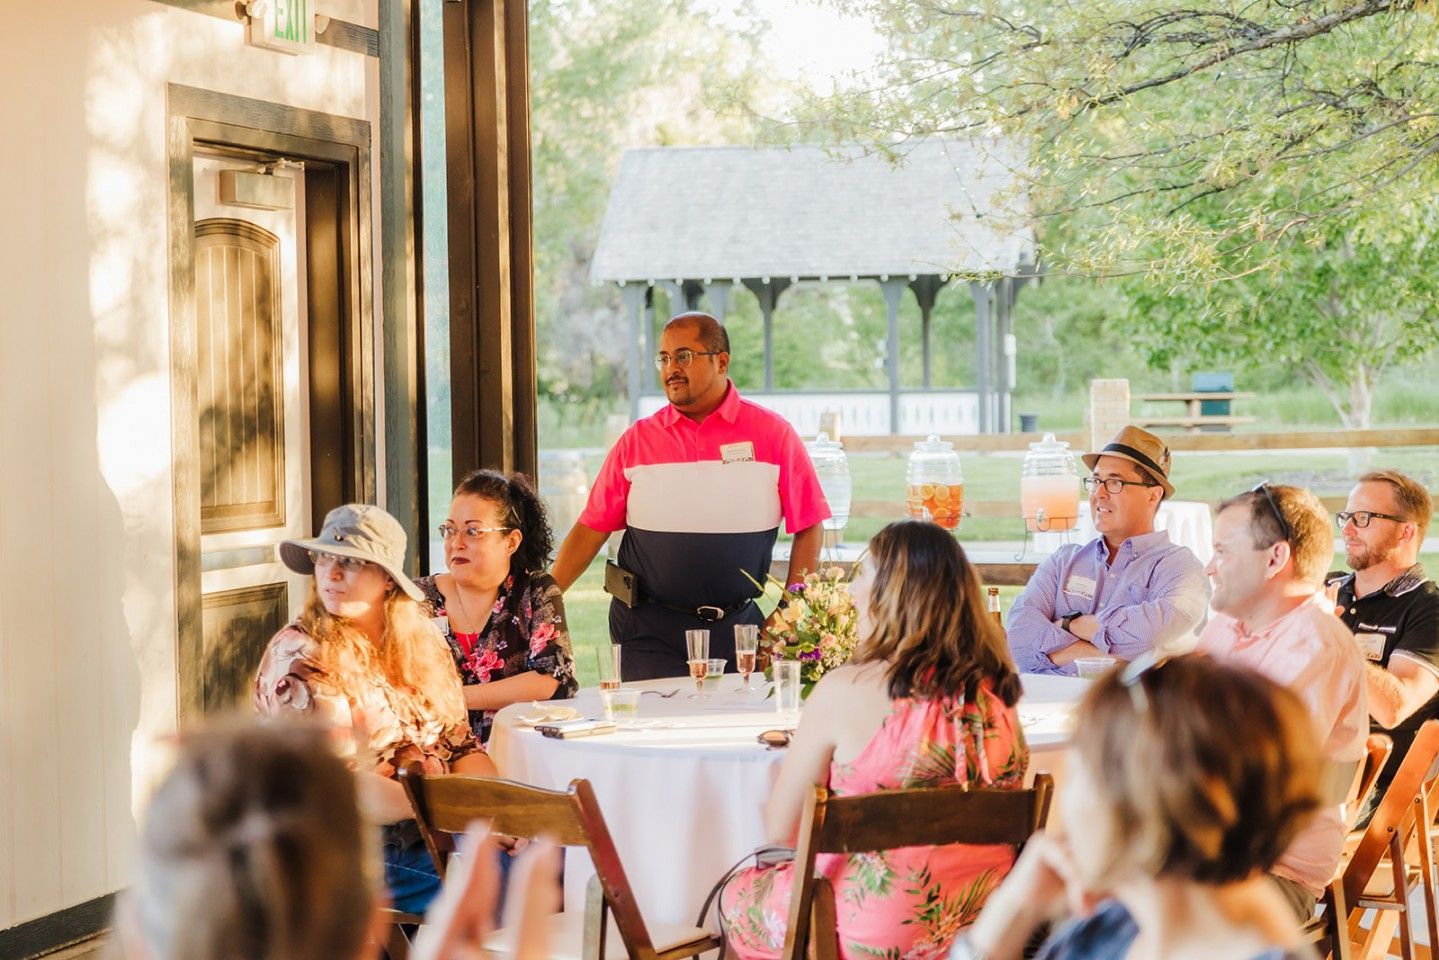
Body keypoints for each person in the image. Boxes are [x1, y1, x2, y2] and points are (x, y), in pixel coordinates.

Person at [719, 520, 1029, 960]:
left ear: (892, 594)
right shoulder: (999, 693)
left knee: (737, 895)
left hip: (872, 931)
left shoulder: (846, 689)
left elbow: (782, 831)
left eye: (864, 576)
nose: (851, 592)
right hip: (987, 928)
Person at [950, 655, 1325, 960]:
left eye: (1077, 773)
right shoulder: (1111, 924)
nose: (1064, 804)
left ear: (1141, 804)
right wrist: (1010, 913)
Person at [115, 720, 559, 960]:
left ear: (134, 931)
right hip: (397, 842)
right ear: (373, 926)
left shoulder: (421, 648)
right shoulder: (300, 657)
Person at [552, 311, 830, 679]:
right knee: (652, 732)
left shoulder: (774, 436)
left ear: (722, 361)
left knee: (732, 734)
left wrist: (789, 607)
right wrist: (544, 601)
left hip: (739, 631)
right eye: (663, 358)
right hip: (646, 630)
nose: (671, 368)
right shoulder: (637, 441)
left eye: (683, 356)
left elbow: (810, 524)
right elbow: (590, 530)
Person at [254, 503, 496, 916]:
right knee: (504, 889)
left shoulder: (422, 639)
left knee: (563, 870)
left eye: (348, 562)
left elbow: (462, 747)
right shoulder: (302, 652)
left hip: (436, 830)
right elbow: (337, 787)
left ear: (387, 578)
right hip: (347, 849)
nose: (330, 575)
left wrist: (493, 817)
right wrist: (459, 818)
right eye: (324, 558)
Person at [1197, 483, 1367, 922]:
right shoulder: (1225, 628)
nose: (1210, 568)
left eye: (1223, 551)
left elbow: (1254, 776)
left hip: (1267, 874)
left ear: (1275, 558)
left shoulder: (1316, 645)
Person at [1006, 425, 1208, 675]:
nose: (1098, 494)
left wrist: (1071, 625)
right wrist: (1109, 660)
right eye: (1095, 481)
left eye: (1114, 482)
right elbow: (1018, 634)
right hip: (1046, 710)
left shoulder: (1179, 569)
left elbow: (1152, 638)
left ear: (1153, 496)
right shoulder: (1063, 561)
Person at [415, 469, 578, 744]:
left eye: (473, 531)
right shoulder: (417, 599)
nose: (457, 543)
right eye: (450, 530)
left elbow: (551, 678)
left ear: (511, 542)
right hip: (433, 758)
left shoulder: (534, 591)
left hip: (519, 755)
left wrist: (454, 697)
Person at [1326, 470, 1439, 809]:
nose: (1346, 529)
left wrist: (1330, 638)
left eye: (1363, 519)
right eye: (1346, 517)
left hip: (1375, 786)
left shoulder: (1428, 609)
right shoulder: (1326, 590)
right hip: (1299, 762)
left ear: (1406, 532)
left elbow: (1395, 708)